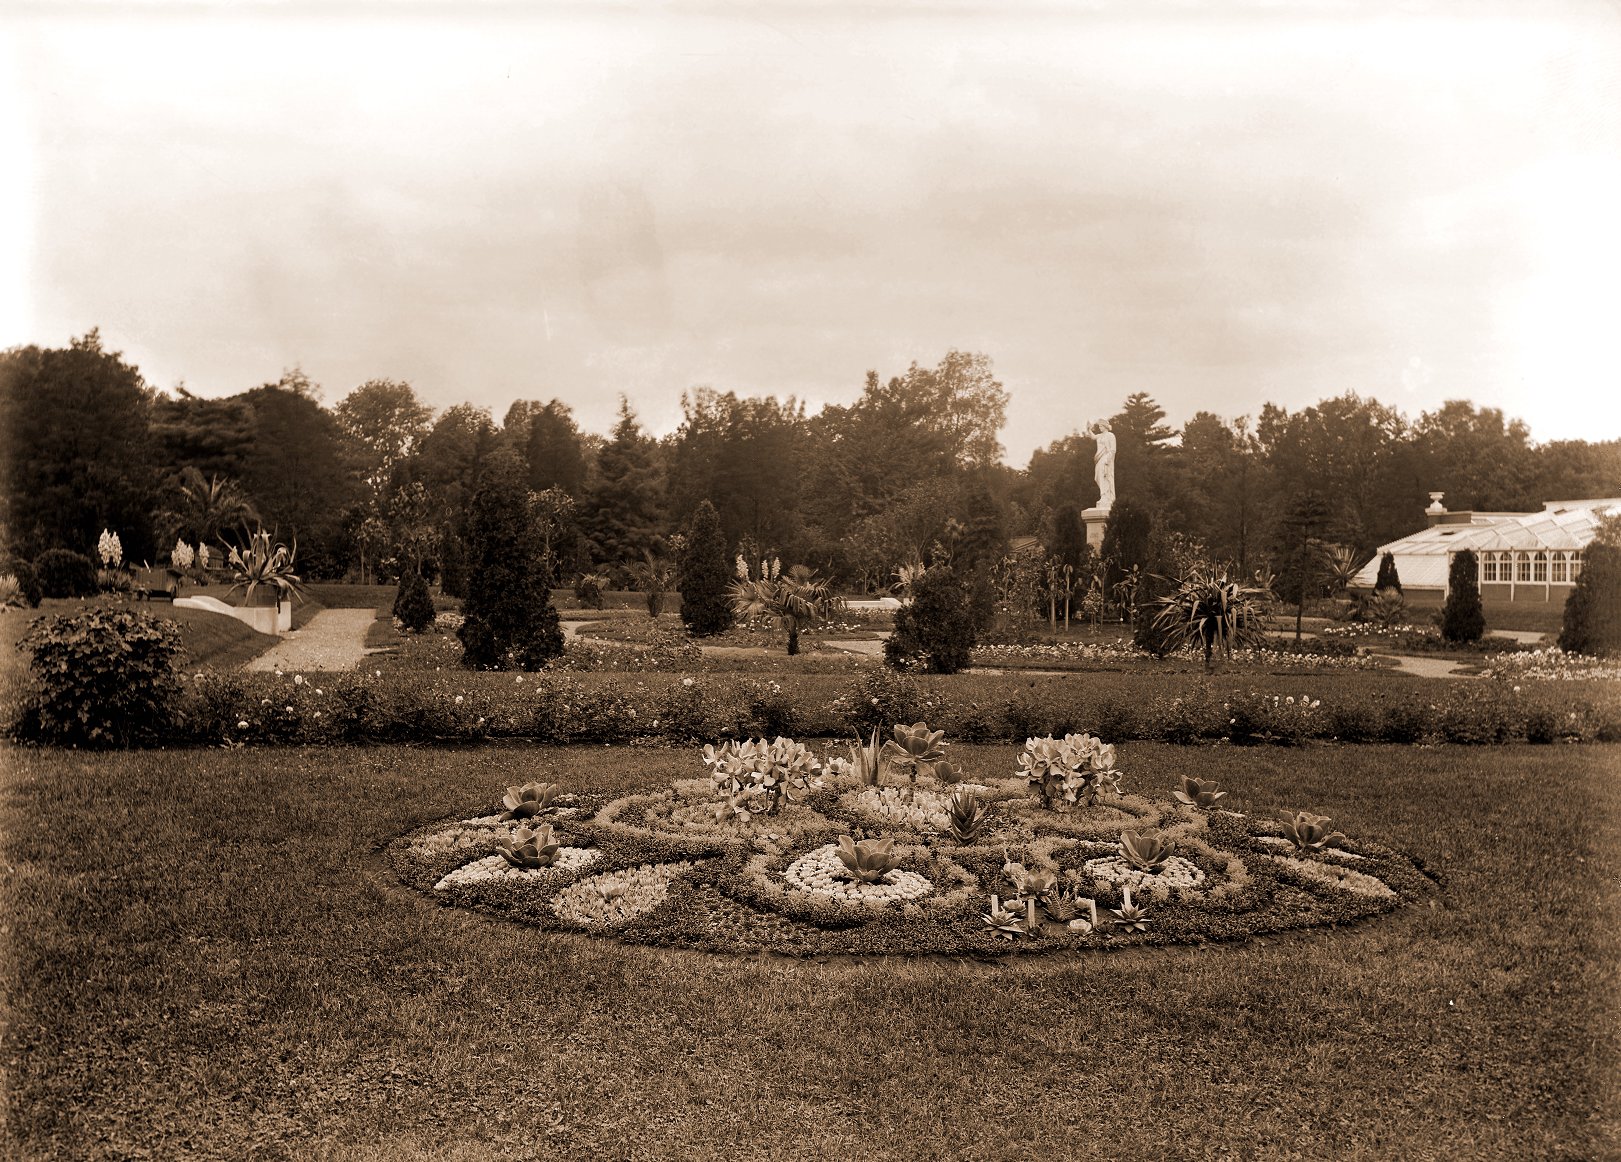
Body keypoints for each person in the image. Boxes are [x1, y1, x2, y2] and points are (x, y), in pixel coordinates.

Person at [1090, 421, 1116, 510]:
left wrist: (1107, 460)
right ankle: (1103, 495)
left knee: (1105, 476)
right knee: (1098, 477)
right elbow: (1093, 437)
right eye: (1099, 426)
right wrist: (1088, 429)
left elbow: (1113, 450)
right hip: (1099, 459)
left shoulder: (1110, 435)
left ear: (1105, 426)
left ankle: (1106, 497)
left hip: (1106, 459)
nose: (1099, 428)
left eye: (1101, 426)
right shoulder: (1100, 436)